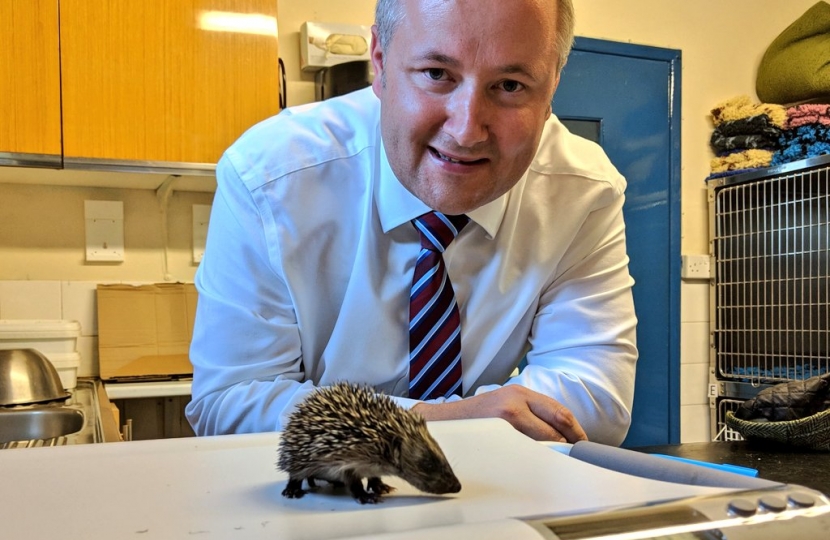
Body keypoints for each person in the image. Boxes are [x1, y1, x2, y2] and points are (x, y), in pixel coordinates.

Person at [185, 0, 638, 446]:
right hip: (315, 495)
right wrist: (436, 422)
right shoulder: (271, 177)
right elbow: (229, 404)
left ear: (553, 84)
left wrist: (465, 424)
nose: (465, 130)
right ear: (379, 61)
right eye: (437, 75)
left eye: (510, 85)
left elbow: (596, 396)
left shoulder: (580, 192)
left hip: (494, 491)